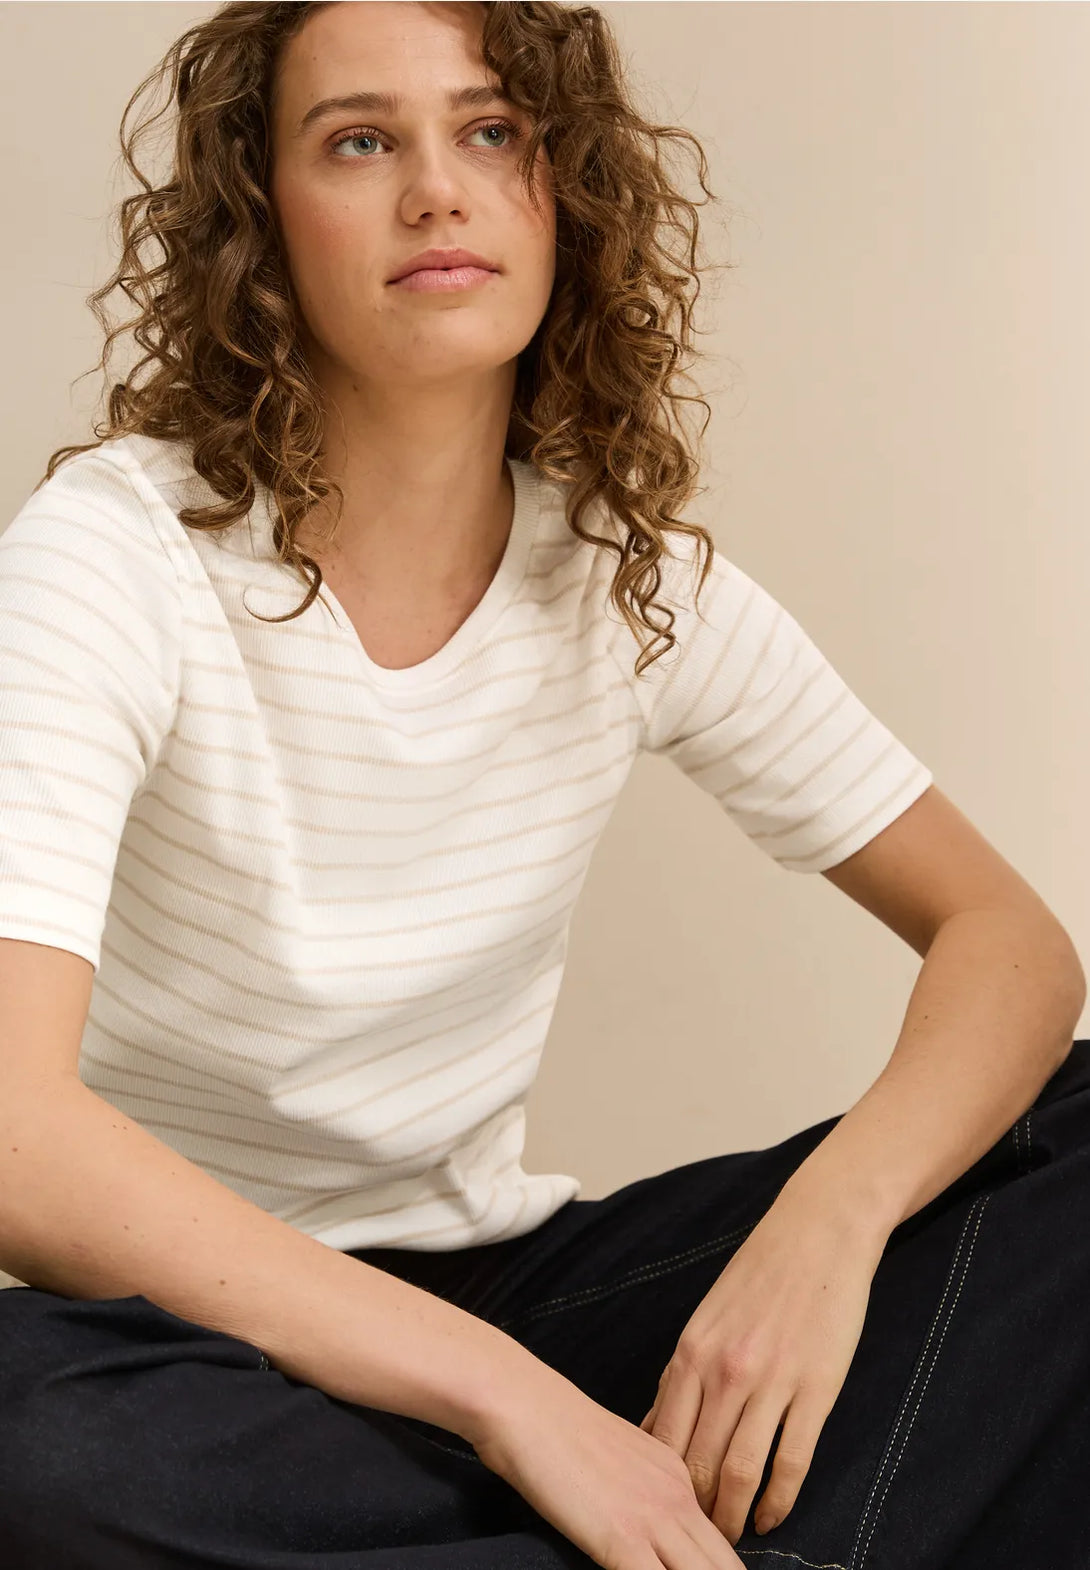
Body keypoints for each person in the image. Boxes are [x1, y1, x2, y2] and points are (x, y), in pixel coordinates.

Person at [0, 3, 1087, 1568]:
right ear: (260, 220)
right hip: (197, 1335)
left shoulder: (629, 583)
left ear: (560, 192)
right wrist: (513, 1403)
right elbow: (17, 1133)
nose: (435, 188)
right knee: (31, 1442)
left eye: (491, 131)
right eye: (358, 141)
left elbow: (1010, 943)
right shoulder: (117, 556)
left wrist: (823, 1234)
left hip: (516, 1282)